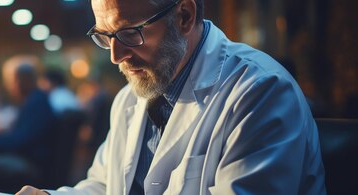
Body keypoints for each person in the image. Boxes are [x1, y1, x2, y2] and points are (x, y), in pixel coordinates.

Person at [17, 0, 325, 194]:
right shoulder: (130, 98)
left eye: (129, 33)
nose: (115, 56)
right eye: (105, 36)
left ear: (184, 16)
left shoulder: (260, 92)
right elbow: (104, 186)